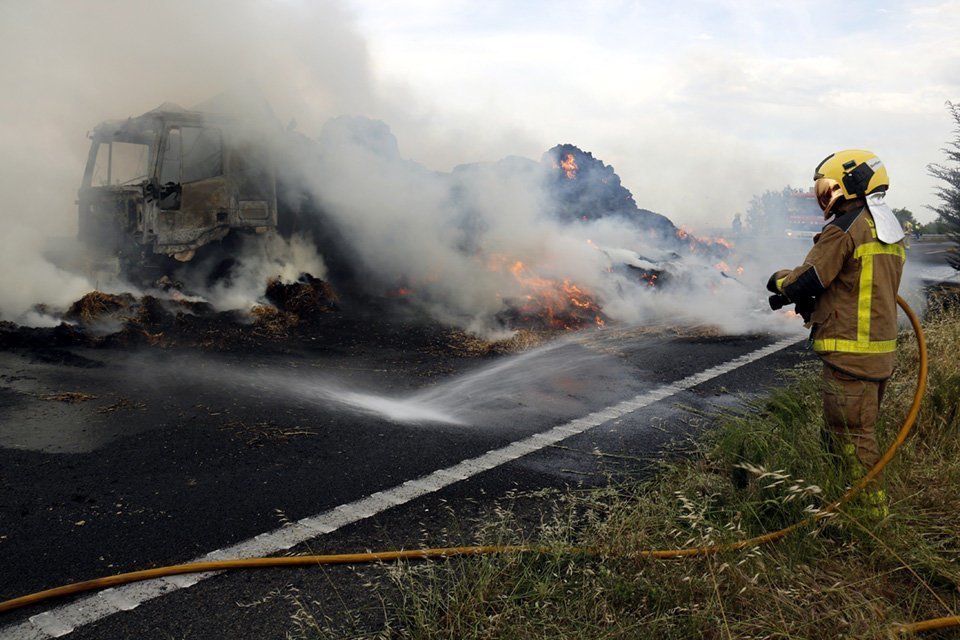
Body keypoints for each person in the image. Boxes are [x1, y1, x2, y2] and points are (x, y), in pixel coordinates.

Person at [767, 149, 906, 520]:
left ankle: (871, 519)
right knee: (846, 433)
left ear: (850, 182)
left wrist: (780, 281)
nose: (824, 194)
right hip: (876, 352)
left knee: (852, 439)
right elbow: (854, 284)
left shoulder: (845, 227)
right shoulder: (886, 228)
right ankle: (840, 500)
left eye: (828, 186)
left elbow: (809, 278)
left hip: (850, 354)